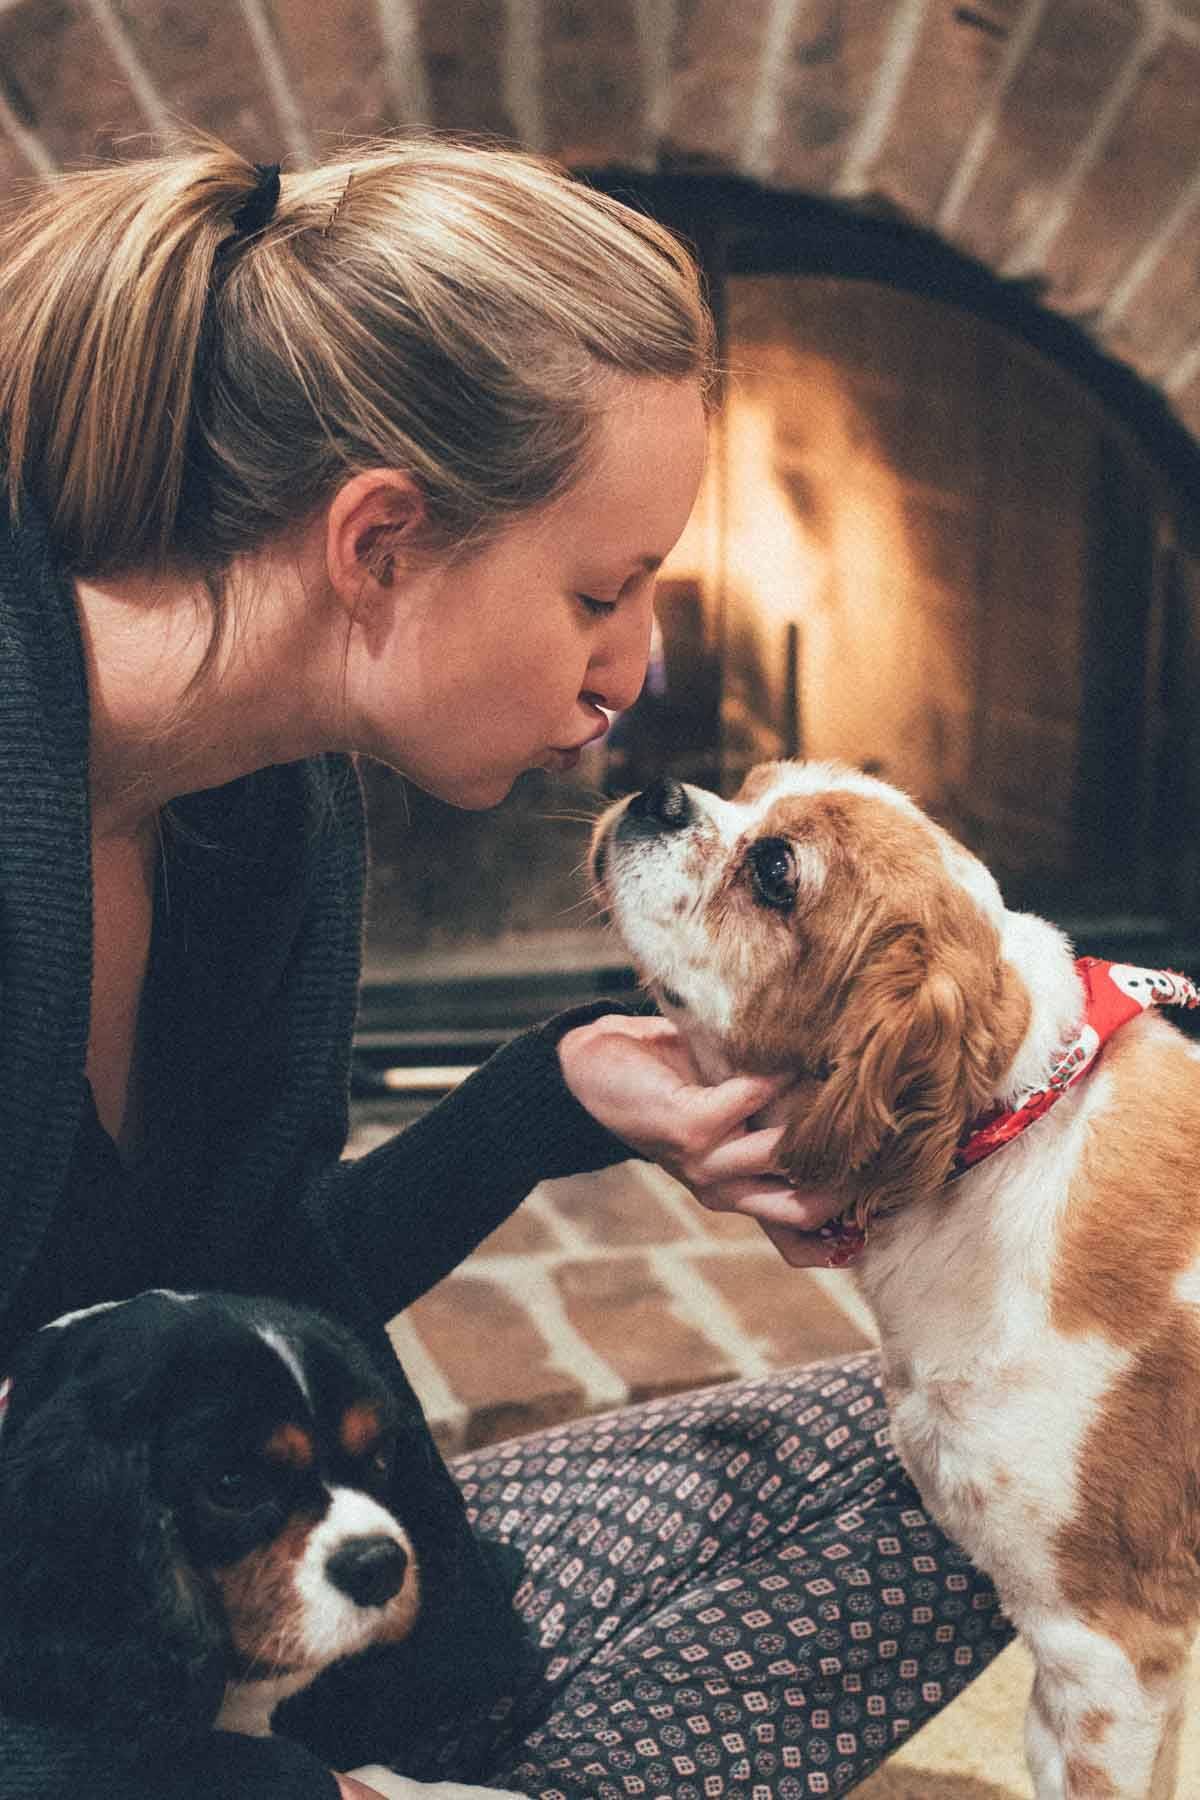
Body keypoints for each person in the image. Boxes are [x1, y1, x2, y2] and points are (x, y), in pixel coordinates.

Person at [0, 137, 1012, 1800]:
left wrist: (547, 1102)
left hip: (251, 1635)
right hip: (83, 1707)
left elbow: (244, 1298)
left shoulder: (265, 815)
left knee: (960, 1465)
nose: (643, 663)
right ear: (380, 541)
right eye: (601, 590)